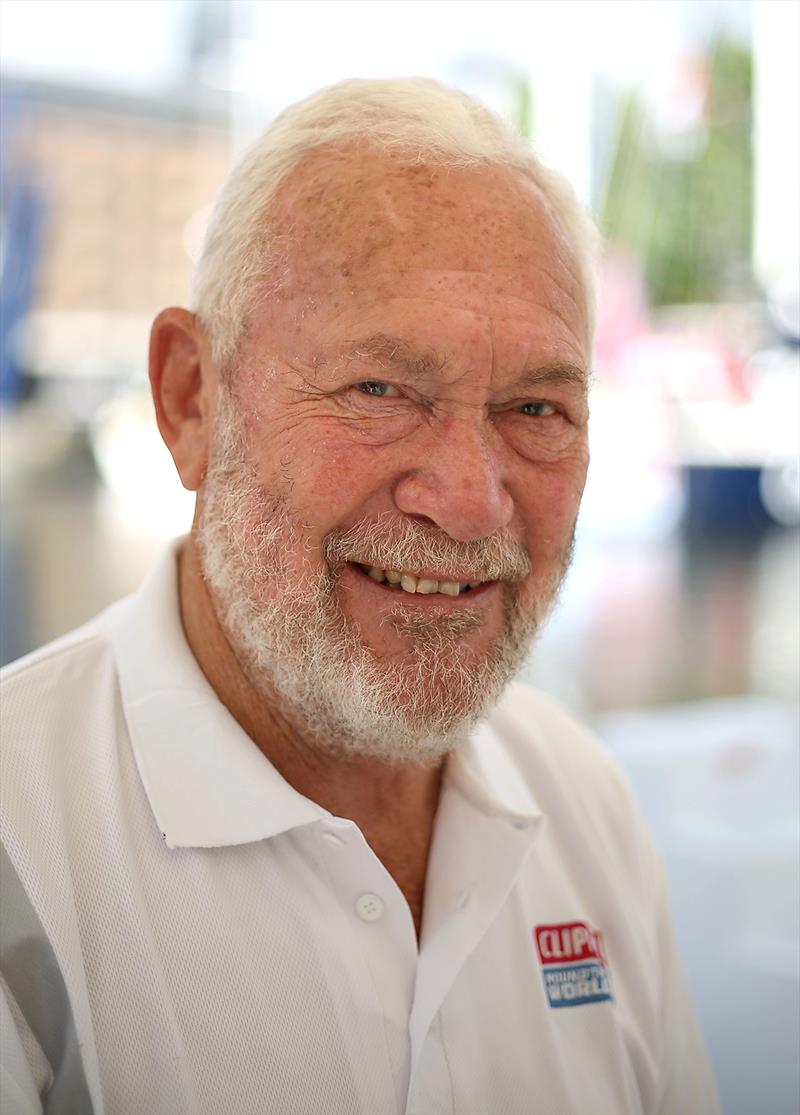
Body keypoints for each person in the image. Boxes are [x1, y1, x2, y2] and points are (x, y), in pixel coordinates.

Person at [0, 78, 719, 1115]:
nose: (470, 504)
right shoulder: (26, 841)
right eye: (378, 390)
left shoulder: (581, 803)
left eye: (534, 406)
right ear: (190, 397)